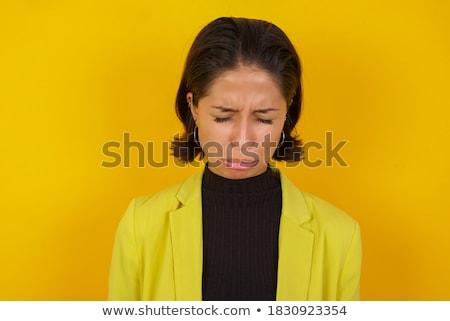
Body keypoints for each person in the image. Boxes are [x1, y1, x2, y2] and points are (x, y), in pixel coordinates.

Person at [108, 17, 362, 301]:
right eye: (223, 117)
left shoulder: (340, 235)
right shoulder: (141, 224)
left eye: (264, 118)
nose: (243, 141)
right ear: (193, 106)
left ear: (287, 111)